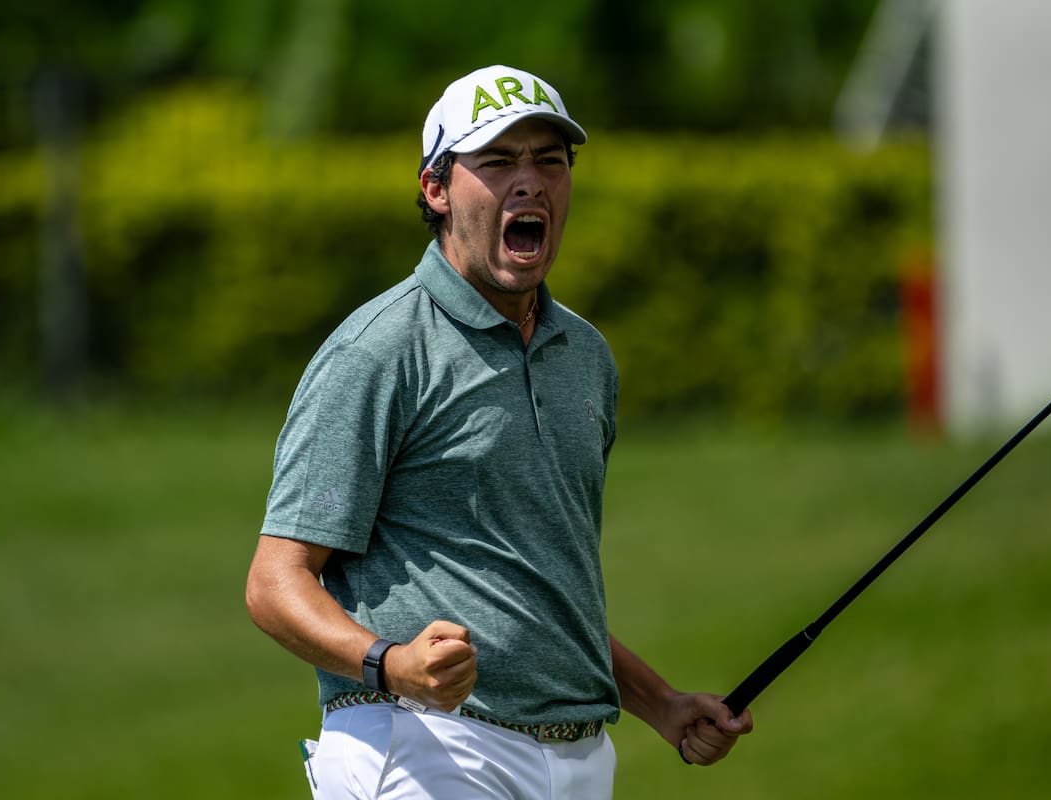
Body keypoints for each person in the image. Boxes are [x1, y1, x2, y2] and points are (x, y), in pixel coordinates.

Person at [246, 64, 753, 799]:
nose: (530, 182)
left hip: (579, 760)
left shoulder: (586, 356)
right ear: (436, 188)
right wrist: (389, 662)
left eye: (550, 160)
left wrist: (662, 705)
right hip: (423, 746)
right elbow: (273, 581)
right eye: (497, 161)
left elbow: (542, 591)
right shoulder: (378, 351)